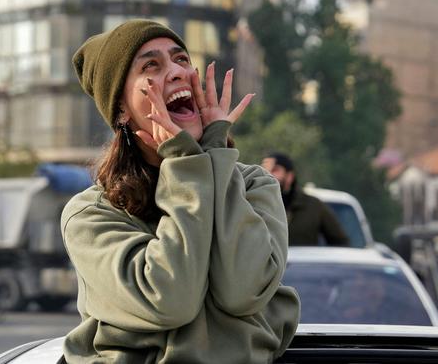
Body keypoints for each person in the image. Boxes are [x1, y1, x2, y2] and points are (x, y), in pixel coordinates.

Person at [62, 20, 300, 363]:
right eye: (150, 66)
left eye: (181, 59)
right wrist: (186, 165)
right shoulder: (92, 213)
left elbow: (242, 293)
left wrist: (214, 153)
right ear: (121, 111)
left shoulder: (255, 186)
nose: (176, 72)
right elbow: (171, 300)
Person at [261, 152, 349, 246]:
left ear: (289, 176)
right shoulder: (256, 206)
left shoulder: (313, 206)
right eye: (263, 170)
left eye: (274, 170)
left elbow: (340, 243)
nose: (268, 174)